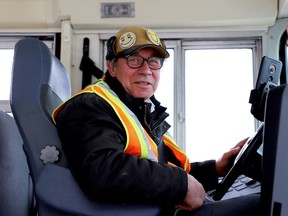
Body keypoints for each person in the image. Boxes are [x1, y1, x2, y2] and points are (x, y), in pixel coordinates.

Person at [52, 26, 261, 216]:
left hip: (160, 207)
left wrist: (215, 168)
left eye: (154, 61)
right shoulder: (89, 105)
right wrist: (179, 184)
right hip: (150, 212)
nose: (146, 70)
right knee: (261, 205)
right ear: (112, 67)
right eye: (134, 60)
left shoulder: (139, 111)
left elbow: (160, 167)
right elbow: (103, 170)